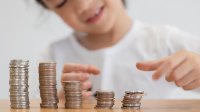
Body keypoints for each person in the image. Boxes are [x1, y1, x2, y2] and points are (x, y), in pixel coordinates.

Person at [36, 0, 200, 99]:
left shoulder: (163, 40)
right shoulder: (53, 55)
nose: (83, 5)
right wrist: (58, 103)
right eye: (62, 1)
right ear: (51, 9)